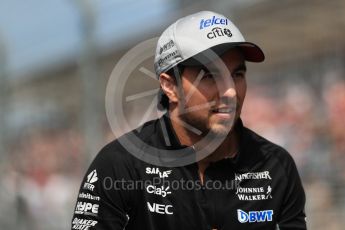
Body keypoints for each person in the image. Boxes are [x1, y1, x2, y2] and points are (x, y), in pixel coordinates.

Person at [71, 11, 306, 230]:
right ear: (170, 86)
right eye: (211, 76)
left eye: (237, 74)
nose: (231, 92)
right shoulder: (119, 166)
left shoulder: (275, 165)